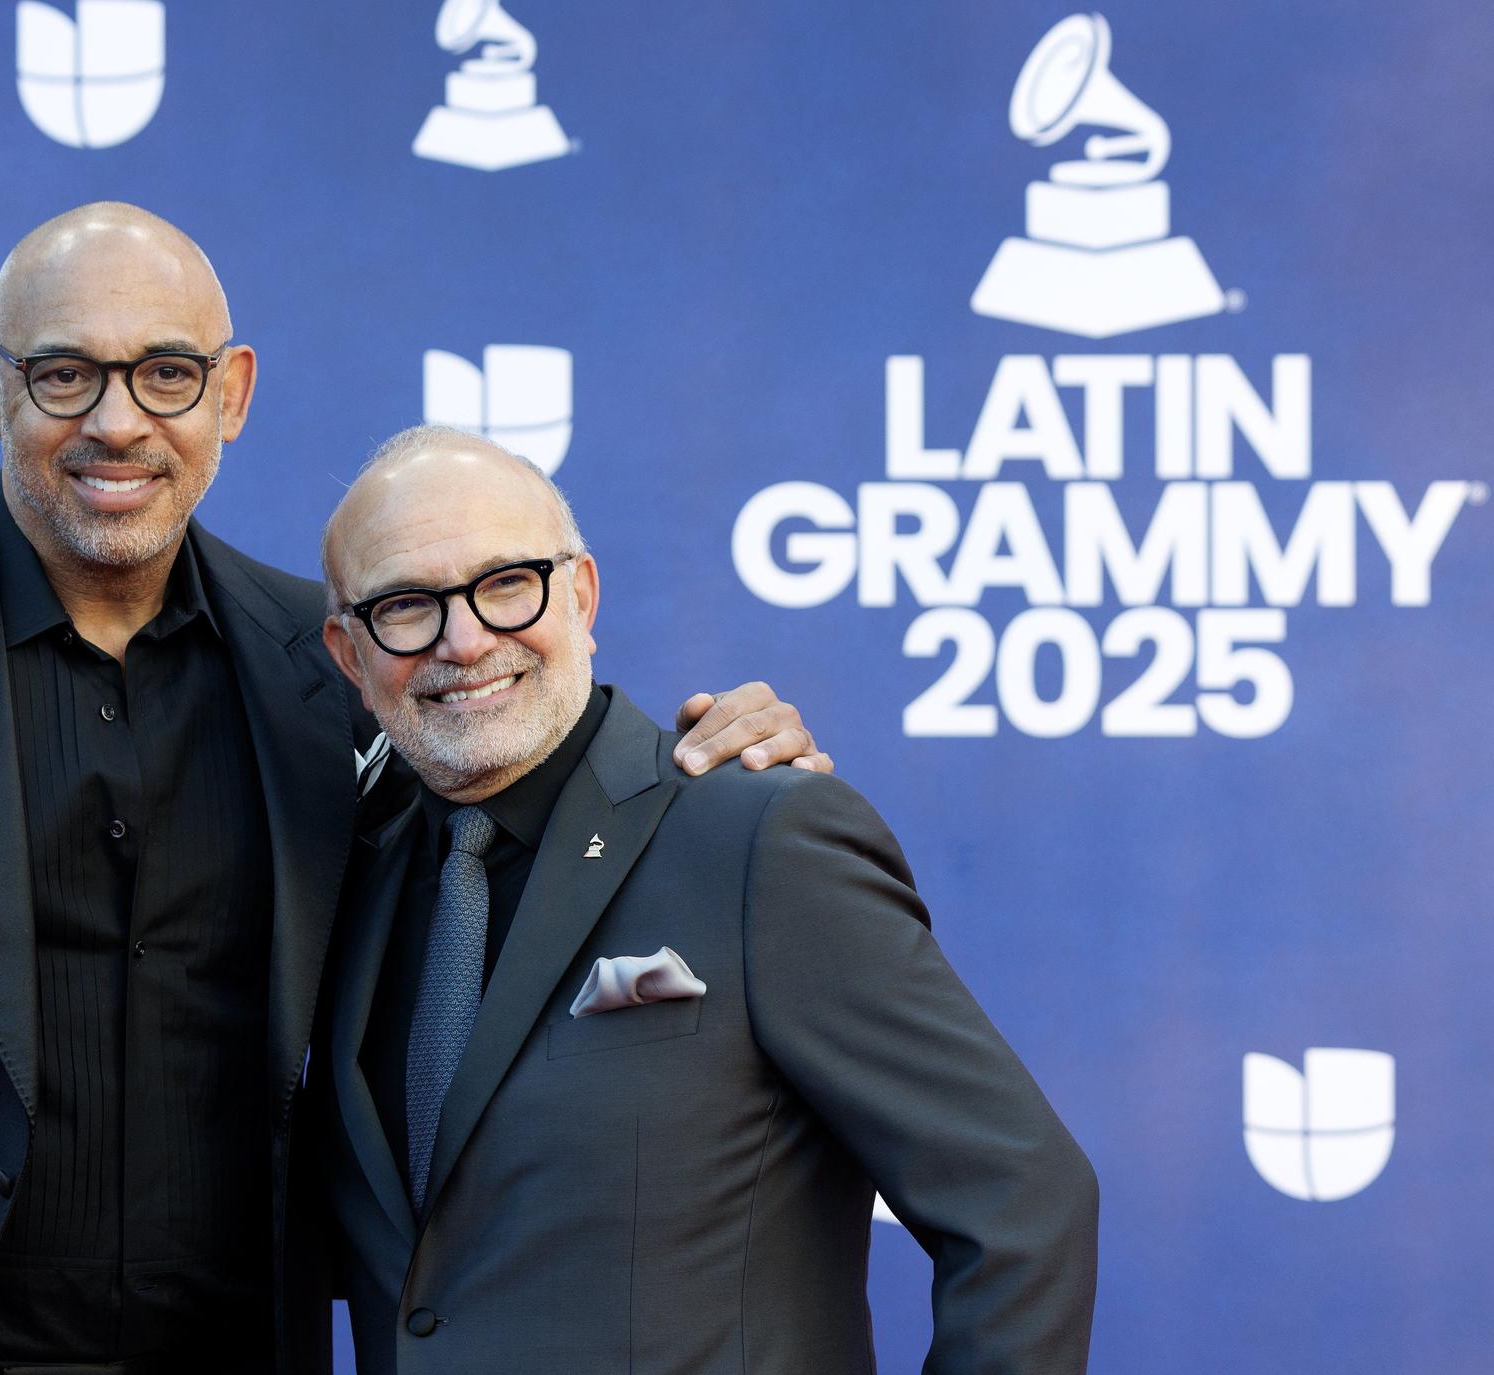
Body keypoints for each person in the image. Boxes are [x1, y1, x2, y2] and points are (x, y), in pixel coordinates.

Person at [0, 202, 830, 1375]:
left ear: (229, 396)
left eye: (166, 374)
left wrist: (721, 759)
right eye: (64, 373)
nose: (117, 423)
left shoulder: (332, 657)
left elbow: (527, 776)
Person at [316, 426, 1100, 1374]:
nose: (466, 637)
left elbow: (1023, 1204)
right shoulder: (341, 874)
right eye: (406, 605)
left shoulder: (757, 838)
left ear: (582, 592)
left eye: (506, 582)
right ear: (349, 653)